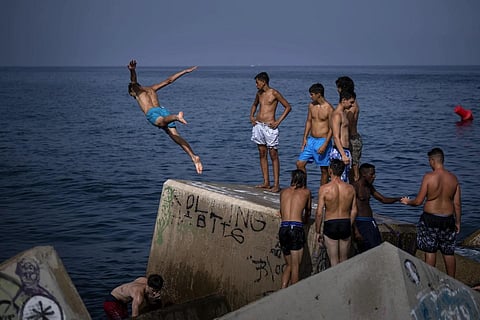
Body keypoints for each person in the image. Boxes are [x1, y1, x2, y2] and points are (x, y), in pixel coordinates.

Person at [127, 59, 203, 174]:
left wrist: (132, 71)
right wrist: (185, 71)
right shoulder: (152, 89)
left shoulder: (136, 91)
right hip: (163, 110)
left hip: (153, 113)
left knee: (161, 122)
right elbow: (169, 81)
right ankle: (193, 156)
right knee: (175, 136)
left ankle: (176, 117)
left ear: (132, 91)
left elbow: (133, 81)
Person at [401, 148, 461, 278]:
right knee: (449, 252)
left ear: (433, 161)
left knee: (430, 251)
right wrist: (457, 222)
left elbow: (418, 201)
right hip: (448, 219)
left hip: (430, 219)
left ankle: (430, 279)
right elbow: (457, 204)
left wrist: (407, 201)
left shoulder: (429, 177)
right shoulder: (453, 179)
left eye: (429, 161)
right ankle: (452, 282)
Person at [250, 72, 292, 193]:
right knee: (262, 153)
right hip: (259, 125)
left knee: (273, 154)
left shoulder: (274, 93)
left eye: (257, 82)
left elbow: (288, 107)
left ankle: (276, 184)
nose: (256, 85)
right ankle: (266, 182)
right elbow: (254, 104)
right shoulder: (259, 93)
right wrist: (251, 116)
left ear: (263, 82)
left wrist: (278, 121)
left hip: (270, 126)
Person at [316, 159, 357, 266]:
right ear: (342, 171)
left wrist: (317, 232)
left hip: (331, 224)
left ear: (330, 170)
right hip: (345, 223)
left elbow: (319, 212)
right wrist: (349, 224)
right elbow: (354, 210)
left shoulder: (324, 189)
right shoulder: (350, 188)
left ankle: (335, 282)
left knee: (333, 262)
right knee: (344, 260)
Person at [353, 163, 401, 253]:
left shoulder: (369, 187)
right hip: (360, 222)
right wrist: (356, 230)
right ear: (363, 174)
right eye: (371, 174)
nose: (374, 177)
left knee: (376, 246)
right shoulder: (355, 187)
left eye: (374, 174)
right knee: (365, 249)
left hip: (370, 221)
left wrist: (398, 199)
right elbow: (349, 210)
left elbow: (383, 199)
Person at [296, 83, 334, 186]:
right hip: (311, 140)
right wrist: (304, 138)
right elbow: (309, 121)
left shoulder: (329, 108)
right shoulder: (311, 105)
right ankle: (303, 189)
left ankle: (322, 193)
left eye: (312, 94)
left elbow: (332, 128)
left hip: (323, 140)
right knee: (300, 163)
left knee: (324, 170)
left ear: (319, 94)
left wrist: (325, 144)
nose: (310, 96)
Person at [279, 169, 312, 288]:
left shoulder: (283, 192)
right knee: (296, 265)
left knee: (289, 265)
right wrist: (306, 221)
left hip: (283, 228)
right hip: (296, 229)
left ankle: (283, 290)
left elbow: (282, 212)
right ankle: (293, 295)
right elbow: (308, 211)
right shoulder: (306, 192)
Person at [336, 76, 362, 182]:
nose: (337, 90)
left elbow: (347, 124)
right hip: (348, 139)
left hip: (352, 139)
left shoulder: (351, 105)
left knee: (353, 170)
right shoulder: (348, 103)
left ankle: (354, 194)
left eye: (338, 87)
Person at [329, 90, 356, 183]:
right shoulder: (337, 115)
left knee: (345, 180)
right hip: (339, 151)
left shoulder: (343, 113)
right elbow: (335, 136)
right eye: (351, 102)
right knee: (338, 181)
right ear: (344, 100)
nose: (352, 105)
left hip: (345, 150)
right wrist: (343, 155)